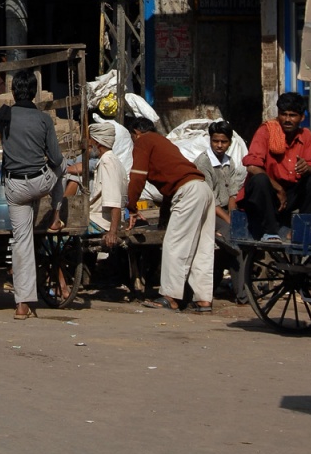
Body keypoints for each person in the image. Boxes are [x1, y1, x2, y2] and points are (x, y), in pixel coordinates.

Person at [0, 69, 64, 319]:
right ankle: (56, 213)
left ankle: (22, 305)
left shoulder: (4, 115)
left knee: (22, 243)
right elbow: (55, 158)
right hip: (41, 183)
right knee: (63, 165)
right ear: (34, 93)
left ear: (13, 92)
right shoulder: (44, 120)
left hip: (15, 188)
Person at [126, 117, 215, 313]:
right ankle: (203, 300)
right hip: (202, 189)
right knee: (202, 246)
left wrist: (131, 207)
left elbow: (137, 176)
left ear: (136, 133)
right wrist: (164, 218)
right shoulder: (164, 142)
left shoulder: (144, 141)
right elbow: (169, 188)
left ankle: (170, 297)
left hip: (188, 192)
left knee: (174, 244)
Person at [240, 92, 311, 241]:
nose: (287, 119)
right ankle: (270, 231)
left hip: (289, 194)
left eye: (293, 115)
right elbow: (252, 166)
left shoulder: (306, 135)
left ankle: (304, 229)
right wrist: (278, 188)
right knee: (260, 180)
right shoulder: (266, 131)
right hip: (266, 194)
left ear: (301, 118)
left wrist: (306, 168)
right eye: (284, 114)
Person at [194, 120, 245, 300]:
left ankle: (228, 288)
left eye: (223, 142)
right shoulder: (203, 162)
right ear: (210, 140)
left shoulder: (229, 162)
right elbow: (209, 200)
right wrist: (229, 221)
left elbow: (232, 193)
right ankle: (242, 294)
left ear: (230, 142)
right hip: (207, 211)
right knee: (236, 246)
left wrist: (233, 217)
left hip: (223, 210)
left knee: (238, 239)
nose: (219, 145)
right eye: (216, 141)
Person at [88, 120, 129, 247]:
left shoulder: (107, 162)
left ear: (97, 143)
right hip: (104, 220)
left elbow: (113, 200)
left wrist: (112, 231)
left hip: (100, 221)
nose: (89, 144)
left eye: (90, 141)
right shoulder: (115, 160)